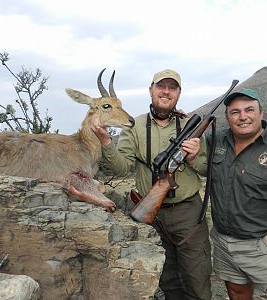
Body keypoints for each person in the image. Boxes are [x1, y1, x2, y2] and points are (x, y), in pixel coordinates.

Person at [91, 69, 212, 300]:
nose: (166, 92)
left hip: (188, 213)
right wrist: (106, 142)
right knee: (167, 281)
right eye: (161, 86)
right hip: (152, 216)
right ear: (151, 90)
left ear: (178, 93)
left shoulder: (191, 125)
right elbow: (121, 168)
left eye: (172, 88)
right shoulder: (134, 126)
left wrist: (194, 157)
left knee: (197, 279)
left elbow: (207, 169)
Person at [208, 88, 267, 300]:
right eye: (235, 112)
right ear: (227, 118)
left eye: (249, 110)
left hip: (266, 245)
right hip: (224, 242)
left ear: (261, 114)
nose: (243, 117)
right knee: (237, 293)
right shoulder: (216, 142)